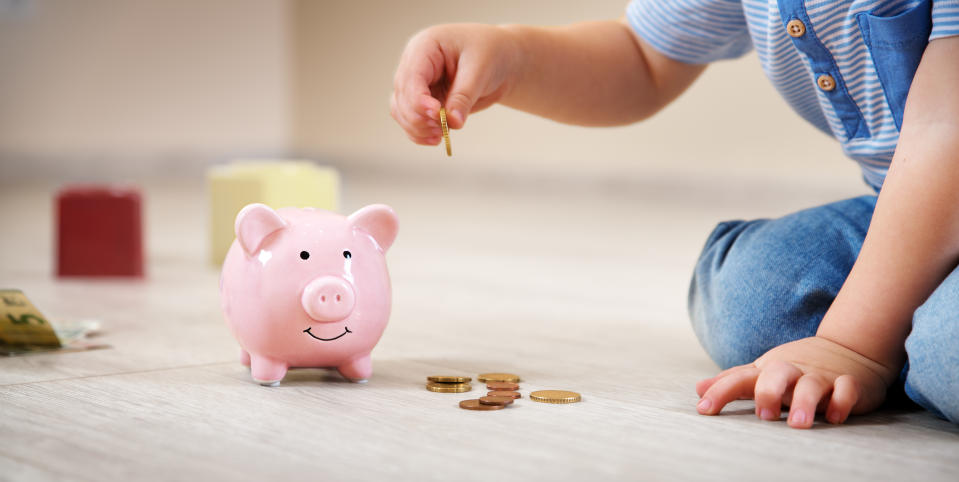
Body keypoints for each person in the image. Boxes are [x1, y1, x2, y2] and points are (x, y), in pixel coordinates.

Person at [389, 0, 959, 429]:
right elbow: (642, 56)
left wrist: (853, 347)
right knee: (753, 301)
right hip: (901, 202)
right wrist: (510, 55)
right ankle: (903, 330)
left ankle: (904, 342)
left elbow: (947, 126)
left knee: (945, 351)